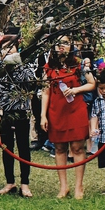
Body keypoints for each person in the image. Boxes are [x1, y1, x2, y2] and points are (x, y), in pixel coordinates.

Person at [41, 35, 96, 199]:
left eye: (65, 43)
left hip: (75, 109)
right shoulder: (48, 67)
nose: (61, 46)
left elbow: (92, 83)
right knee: (59, 148)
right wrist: (43, 115)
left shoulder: (78, 64)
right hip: (56, 111)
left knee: (78, 148)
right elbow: (45, 92)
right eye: (58, 43)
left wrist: (76, 90)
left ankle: (79, 186)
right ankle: (63, 186)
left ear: (71, 45)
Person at [0, 30, 36, 198]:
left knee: (23, 147)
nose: (8, 50)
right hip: (4, 111)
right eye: (5, 48)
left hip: (21, 111)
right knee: (7, 148)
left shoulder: (24, 65)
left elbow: (31, 83)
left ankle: (25, 183)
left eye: (11, 47)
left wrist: (18, 64)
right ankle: (9, 181)